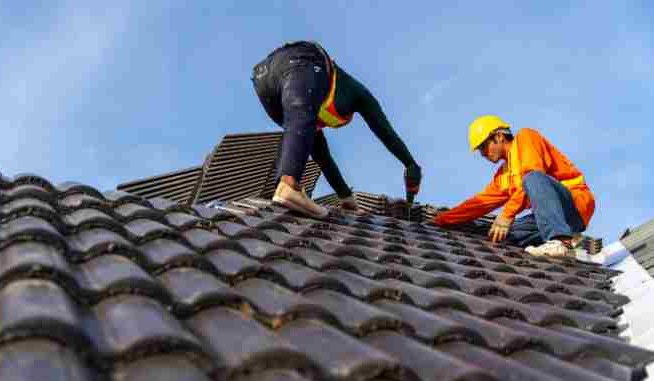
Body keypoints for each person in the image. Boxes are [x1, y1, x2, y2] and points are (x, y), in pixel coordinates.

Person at [251, 41, 421, 218]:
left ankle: (283, 189)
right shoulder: (358, 94)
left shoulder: (311, 112)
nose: (323, 125)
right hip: (301, 60)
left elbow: (323, 158)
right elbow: (385, 132)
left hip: (263, 78)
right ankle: (288, 185)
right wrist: (410, 164)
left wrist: (346, 197)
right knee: (301, 117)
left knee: (302, 135)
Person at [432, 115, 595, 257]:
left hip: (574, 203)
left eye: (483, 146)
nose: (482, 153)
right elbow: (478, 203)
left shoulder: (526, 138)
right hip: (548, 217)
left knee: (532, 177)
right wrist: (441, 220)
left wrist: (507, 215)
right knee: (500, 235)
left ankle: (561, 241)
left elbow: (533, 173)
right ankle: (570, 241)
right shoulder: (503, 175)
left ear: (499, 136)